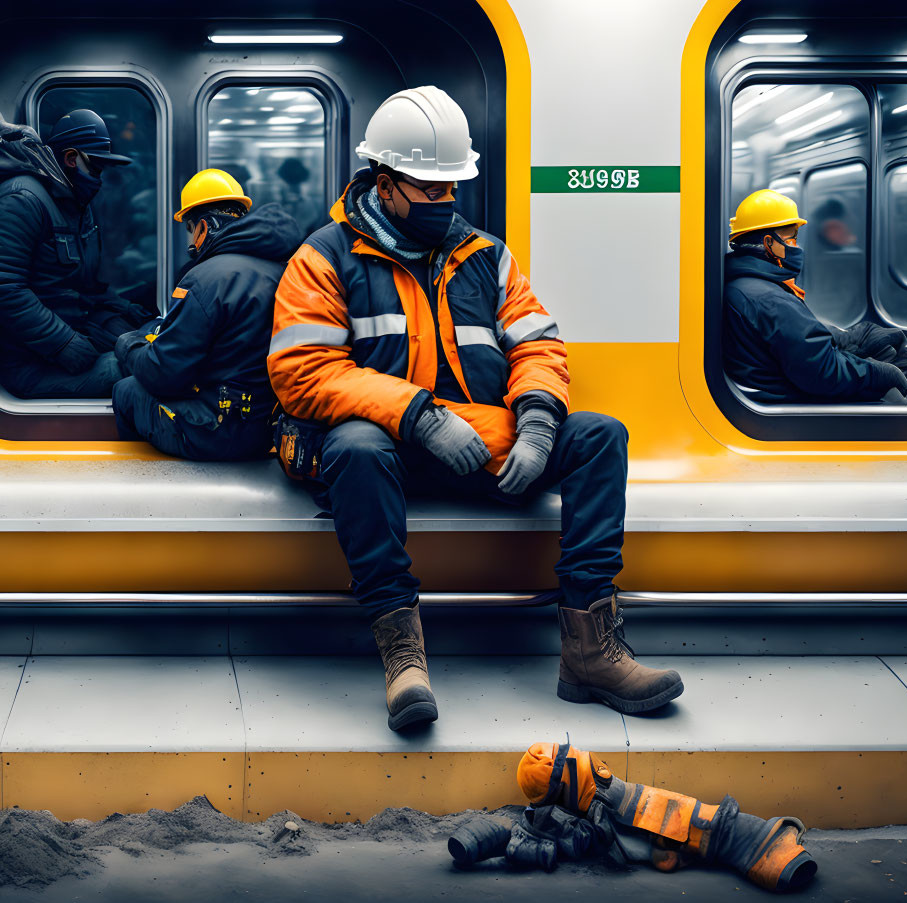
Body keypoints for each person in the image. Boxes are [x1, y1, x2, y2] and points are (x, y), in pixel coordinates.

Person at [268, 86, 683, 732]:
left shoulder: (486, 257)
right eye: (429, 189)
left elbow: (536, 341)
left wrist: (539, 423)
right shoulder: (322, 259)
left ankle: (589, 649)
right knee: (351, 445)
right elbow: (303, 373)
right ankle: (402, 654)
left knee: (600, 436)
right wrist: (420, 416)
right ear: (384, 183)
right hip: (391, 449)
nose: (446, 201)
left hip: (482, 439)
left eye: (451, 187)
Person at [112, 169, 301, 460]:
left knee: (127, 390)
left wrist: (129, 345)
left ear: (203, 227)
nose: (192, 242)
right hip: (266, 427)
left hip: (220, 431)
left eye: (190, 229)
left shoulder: (204, 278)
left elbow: (164, 375)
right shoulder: (284, 270)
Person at [0, 109, 154, 398]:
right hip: (31, 361)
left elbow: (80, 285)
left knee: (151, 348)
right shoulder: (21, 199)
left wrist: (122, 311)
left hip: (78, 329)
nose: (99, 179)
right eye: (96, 168)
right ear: (70, 158)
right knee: (137, 373)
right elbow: (2, 286)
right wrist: (61, 342)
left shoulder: (75, 203)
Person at [723, 189, 907, 404]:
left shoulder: (745, 285)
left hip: (784, 386)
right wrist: (879, 374)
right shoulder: (768, 299)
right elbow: (822, 372)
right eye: (791, 240)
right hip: (794, 404)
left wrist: (852, 338)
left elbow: (797, 339)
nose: (796, 247)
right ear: (769, 243)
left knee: (898, 358)